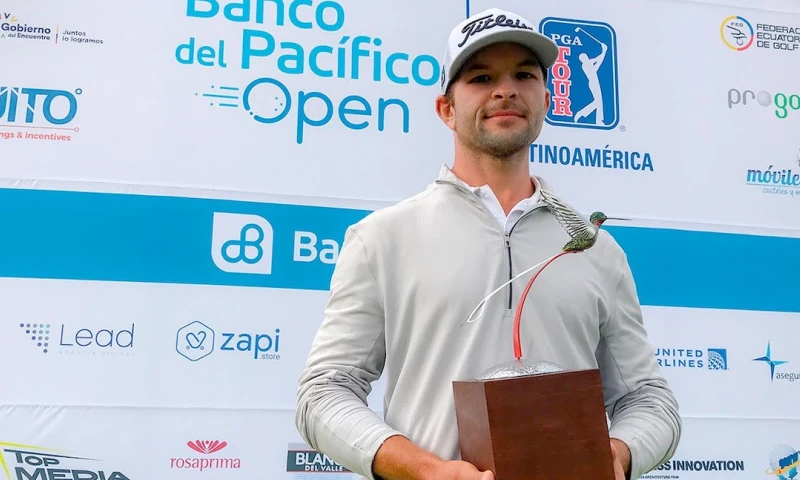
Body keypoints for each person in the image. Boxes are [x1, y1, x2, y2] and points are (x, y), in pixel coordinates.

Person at [295, 7, 681, 480]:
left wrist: (616, 455)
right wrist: (426, 470)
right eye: (481, 77)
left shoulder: (596, 248)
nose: (506, 90)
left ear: (547, 99)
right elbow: (325, 393)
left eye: (524, 74)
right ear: (446, 109)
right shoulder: (382, 237)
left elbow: (648, 399)